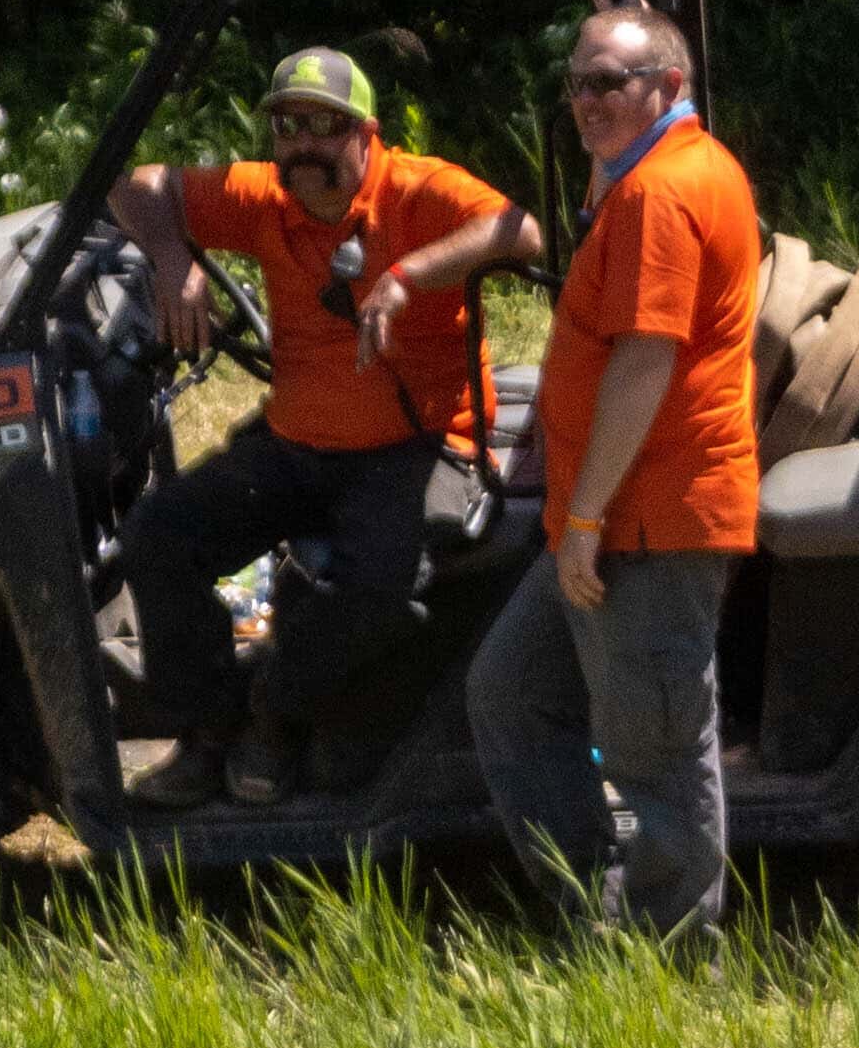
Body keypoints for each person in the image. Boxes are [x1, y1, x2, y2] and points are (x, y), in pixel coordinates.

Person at [113, 51, 546, 806]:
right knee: (160, 536)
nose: (303, 144)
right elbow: (138, 185)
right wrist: (171, 251)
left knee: (380, 588)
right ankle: (207, 733)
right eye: (287, 126)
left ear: (368, 133)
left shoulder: (418, 190)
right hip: (296, 444)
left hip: (416, 442)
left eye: (325, 126)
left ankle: (272, 714)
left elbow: (521, 232)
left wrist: (408, 276)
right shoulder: (262, 197)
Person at [469, 6, 763, 935]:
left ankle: (674, 961)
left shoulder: (661, 195)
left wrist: (586, 518)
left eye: (612, 83)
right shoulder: (648, 172)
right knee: (512, 693)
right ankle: (595, 911)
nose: (589, 101)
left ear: (669, 89)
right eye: (579, 83)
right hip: (603, 524)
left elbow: (645, 360)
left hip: (643, 523)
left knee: (660, 752)